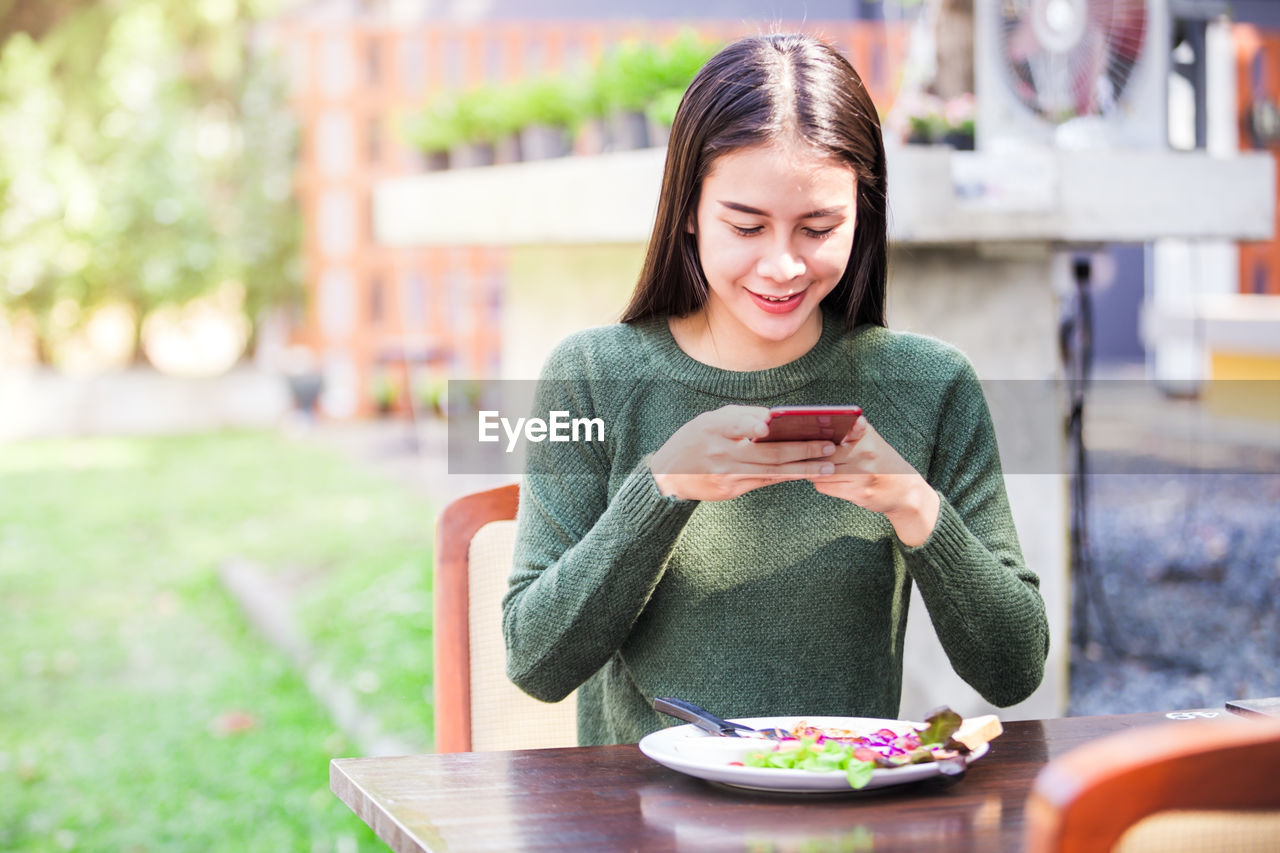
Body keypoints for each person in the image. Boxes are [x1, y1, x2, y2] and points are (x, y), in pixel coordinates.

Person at [502, 32, 1049, 746]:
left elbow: (1014, 670)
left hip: (843, 813)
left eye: (819, 227)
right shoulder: (593, 377)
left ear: (863, 215)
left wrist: (914, 504)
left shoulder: (929, 384)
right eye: (747, 225)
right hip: (646, 819)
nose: (783, 264)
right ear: (689, 211)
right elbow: (535, 661)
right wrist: (661, 487)